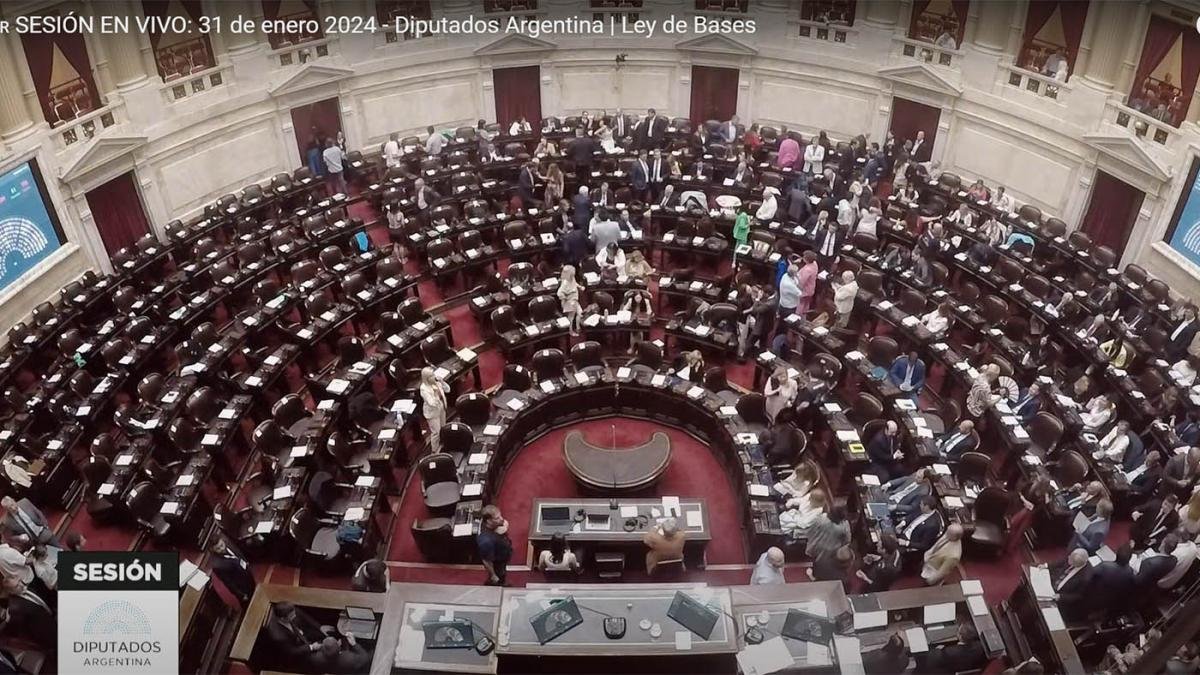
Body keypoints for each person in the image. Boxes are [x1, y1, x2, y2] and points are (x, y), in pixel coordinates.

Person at [265, 601, 329, 670]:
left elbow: (304, 616)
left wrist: (319, 627)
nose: (295, 615)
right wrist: (312, 647)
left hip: (302, 635)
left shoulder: (290, 610)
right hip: (296, 649)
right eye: (292, 616)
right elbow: (292, 651)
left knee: (319, 634)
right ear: (283, 619)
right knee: (315, 660)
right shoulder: (278, 636)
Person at [209, 539, 256, 606]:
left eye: (222, 545)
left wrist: (245, 561)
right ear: (212, 550)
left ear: (222, 541)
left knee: (255, 590)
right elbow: (228, 583)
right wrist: (241, 595)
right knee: (249, 603)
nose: (222, 548)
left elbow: (238, 552)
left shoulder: (228, 543)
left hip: (247, 573)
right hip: (241, 586)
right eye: (218, 548)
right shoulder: (218, 566)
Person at [1050, 548, 1093, 620]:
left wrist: (1061, 597)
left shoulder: (1086, 578)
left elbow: (1078, 595)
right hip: (1053, 581)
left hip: (1060, 596)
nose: (1068, 558)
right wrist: (1047, 565)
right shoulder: (1073, 555)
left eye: (1071, 561)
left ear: (1077, 565)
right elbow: (1060, 561)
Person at [477, 505, 513, 586]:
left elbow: (505, 522)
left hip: (501, 553)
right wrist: (493, 575)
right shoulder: (486, 541)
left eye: (500, 516)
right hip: (497, 561)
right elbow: (486, 561)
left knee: (502, 572)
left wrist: (504, 528)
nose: (501, 519)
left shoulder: (495, 524)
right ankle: (496, 584)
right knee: (499, 576)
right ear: (489, 521)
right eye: (497, 518)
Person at [419, 367, 449, 452]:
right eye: (431, 376)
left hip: (441, 408)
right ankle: (435, 451)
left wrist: (442, 382)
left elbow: (448, 389)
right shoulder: (424, 389)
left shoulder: (437, 382)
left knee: (443, 428)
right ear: (426, 378)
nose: (434, 377)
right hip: (432, 412)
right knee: (436, 432)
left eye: (433, 374)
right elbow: (431, 403)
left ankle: (444, 444)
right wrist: (436, 393)